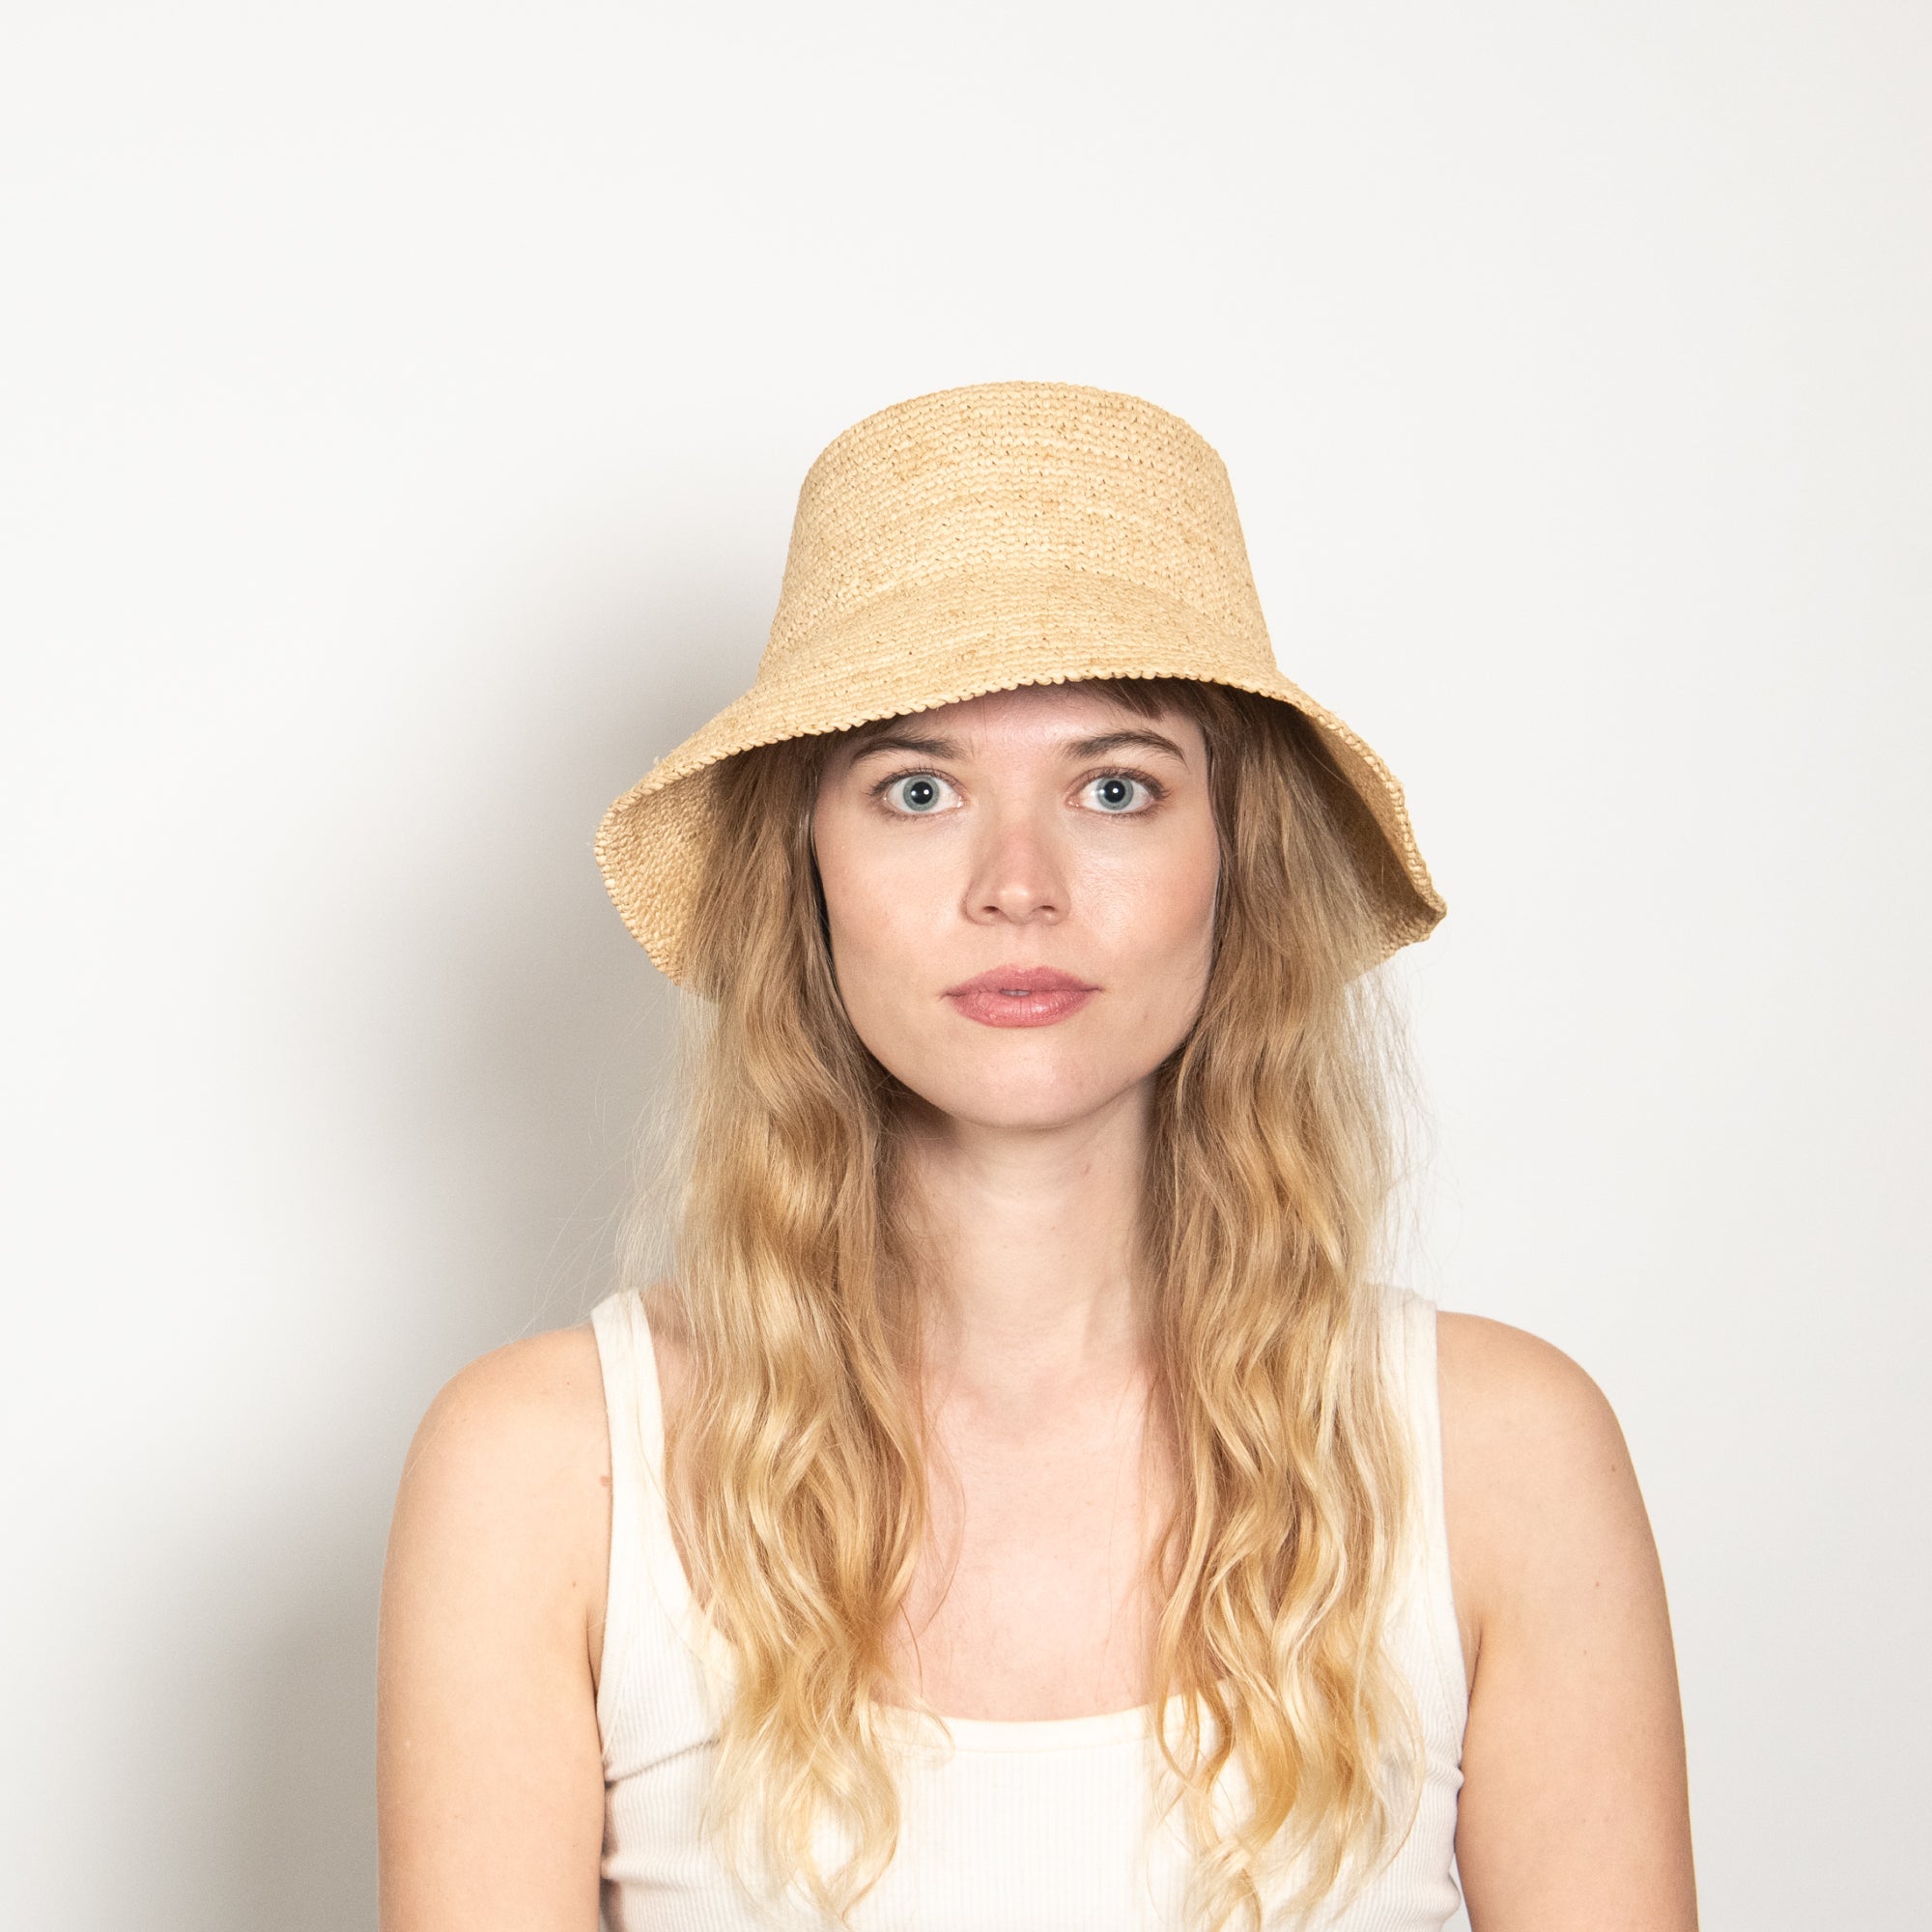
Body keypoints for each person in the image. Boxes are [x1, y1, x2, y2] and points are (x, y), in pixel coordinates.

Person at [376, 383, 1697, 1930]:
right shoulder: (544, 1477)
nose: (1020, 885)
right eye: (918, 790)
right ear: (805, 874)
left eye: (1116, 787)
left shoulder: (1501, 1458)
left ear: (1234, 866)